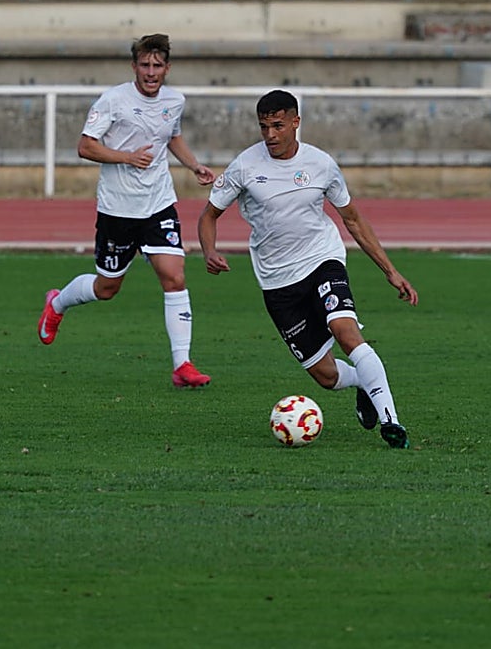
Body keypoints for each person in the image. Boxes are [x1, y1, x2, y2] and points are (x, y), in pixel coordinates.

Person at [198, 89, 418, 448]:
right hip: (277, 281)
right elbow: (209, 216)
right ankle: (362, 381)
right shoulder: (245, 166)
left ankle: (392, 421)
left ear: (296, 122)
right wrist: (209, 250)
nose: (270, 135)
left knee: (346, 331)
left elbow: (353, 220)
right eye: (264, 126)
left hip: (322, 260)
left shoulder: (321, 164)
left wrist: (390, 271)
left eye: (278, 126)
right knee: (326, 376)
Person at [37, 33, 216, 389]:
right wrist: (126, 157)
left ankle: (183, 365)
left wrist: (194, 166)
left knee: (174, 276)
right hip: (117, 209)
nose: (151, 72)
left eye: (158, 65)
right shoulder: (113, 100)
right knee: (107, 288)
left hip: (158, 203)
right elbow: (85, 146)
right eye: (145, 65)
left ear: (167, 67)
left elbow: (172, 136)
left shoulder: (174, 100)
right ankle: (57, 303)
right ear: (134, 66)